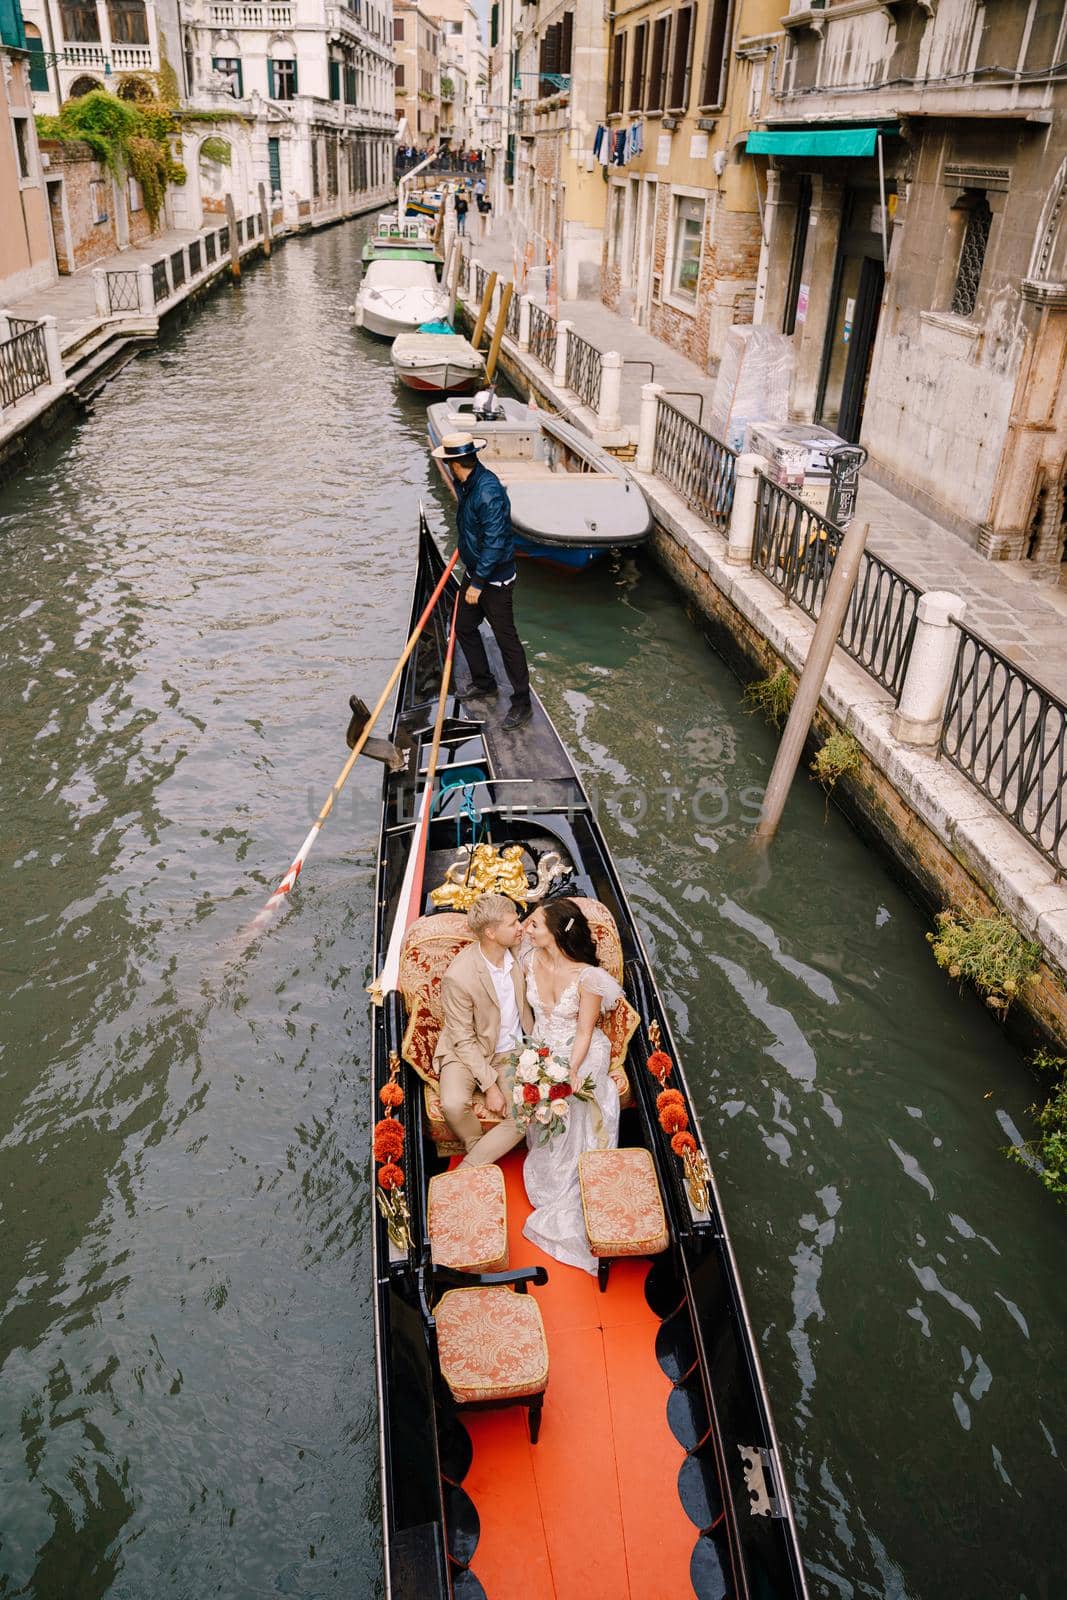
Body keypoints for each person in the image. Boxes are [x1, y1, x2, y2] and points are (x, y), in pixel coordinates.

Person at [519, 899, 628, 1272]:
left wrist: (569, 1070)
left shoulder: (589, 978)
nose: (526, 929)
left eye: (534, 924)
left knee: (573, 1094)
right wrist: (534, 1056)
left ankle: (581, 1184)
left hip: (582, 1050)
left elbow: (584, 1032)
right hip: (543, 1045)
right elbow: (526, 1014)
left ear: (555, 933)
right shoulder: (528, 958)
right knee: (539, 1089)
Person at [429, 431, 532, 732]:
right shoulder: (467, 484)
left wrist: (477, 584)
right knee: (462, 626)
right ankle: (485, 682)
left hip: (494, 580)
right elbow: (474, 528)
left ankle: (522, 703)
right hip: (475, 571)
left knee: (506, 639)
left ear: (455, 463)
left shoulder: (487, 491)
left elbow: (496, 541)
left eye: (448, 462)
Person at [433, 893, 533, 1165]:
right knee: (453, 1105)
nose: (521, 927)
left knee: (524, 1114)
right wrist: (490, 1086)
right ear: (490, 932)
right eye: (513, 924)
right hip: (466, 1050)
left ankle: (469, 1166)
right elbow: (463, 1039)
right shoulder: (459, 976)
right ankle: (477, 1146)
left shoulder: (519, 951)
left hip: (510, 1051)